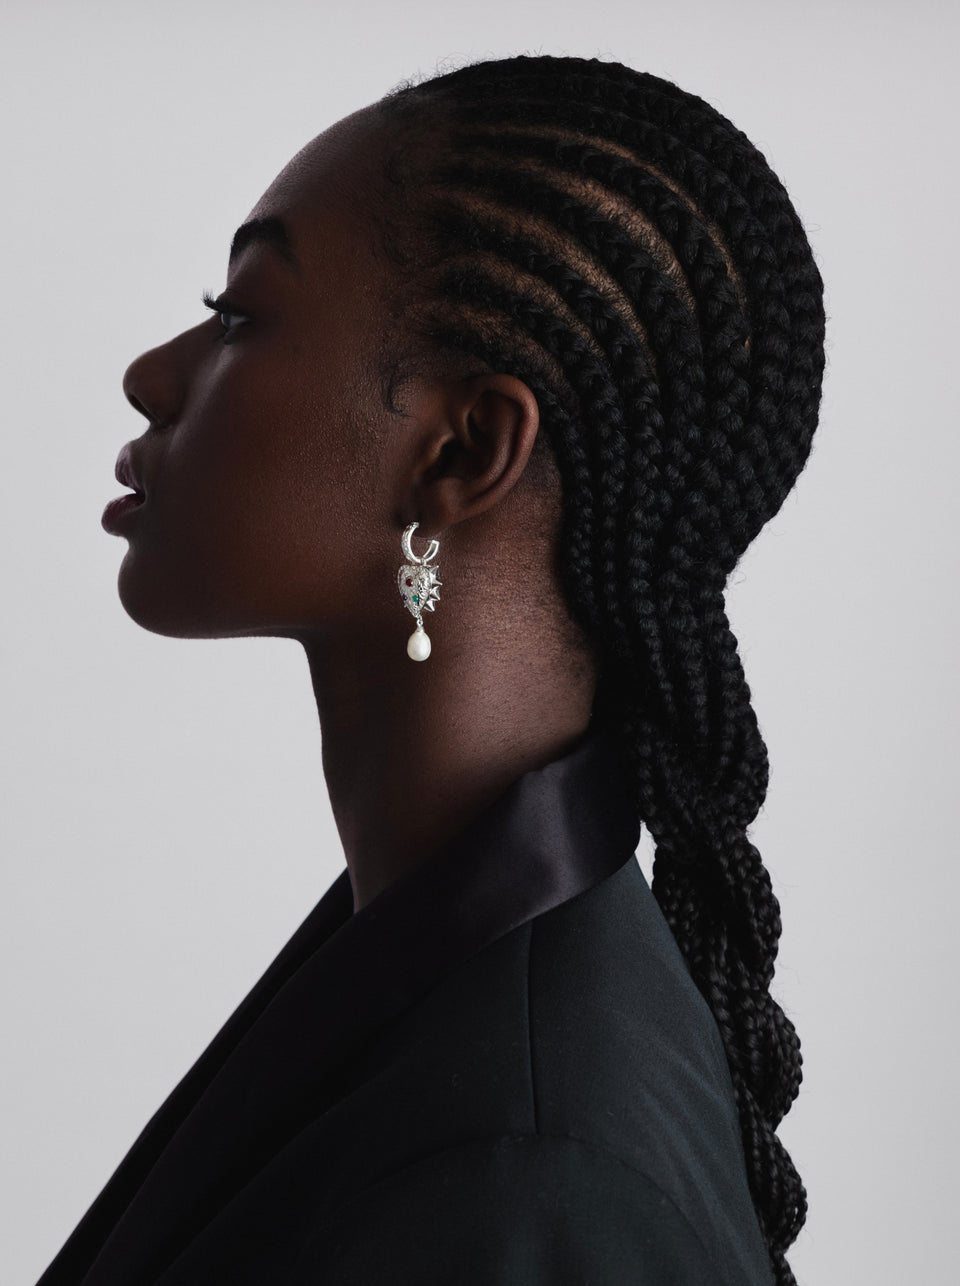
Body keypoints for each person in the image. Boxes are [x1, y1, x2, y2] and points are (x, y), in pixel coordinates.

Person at [38, 53, 825, 1286]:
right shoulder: (434, 960)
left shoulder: (520, 1170)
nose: (155, 374)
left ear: (462, 452)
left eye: (240, 315)